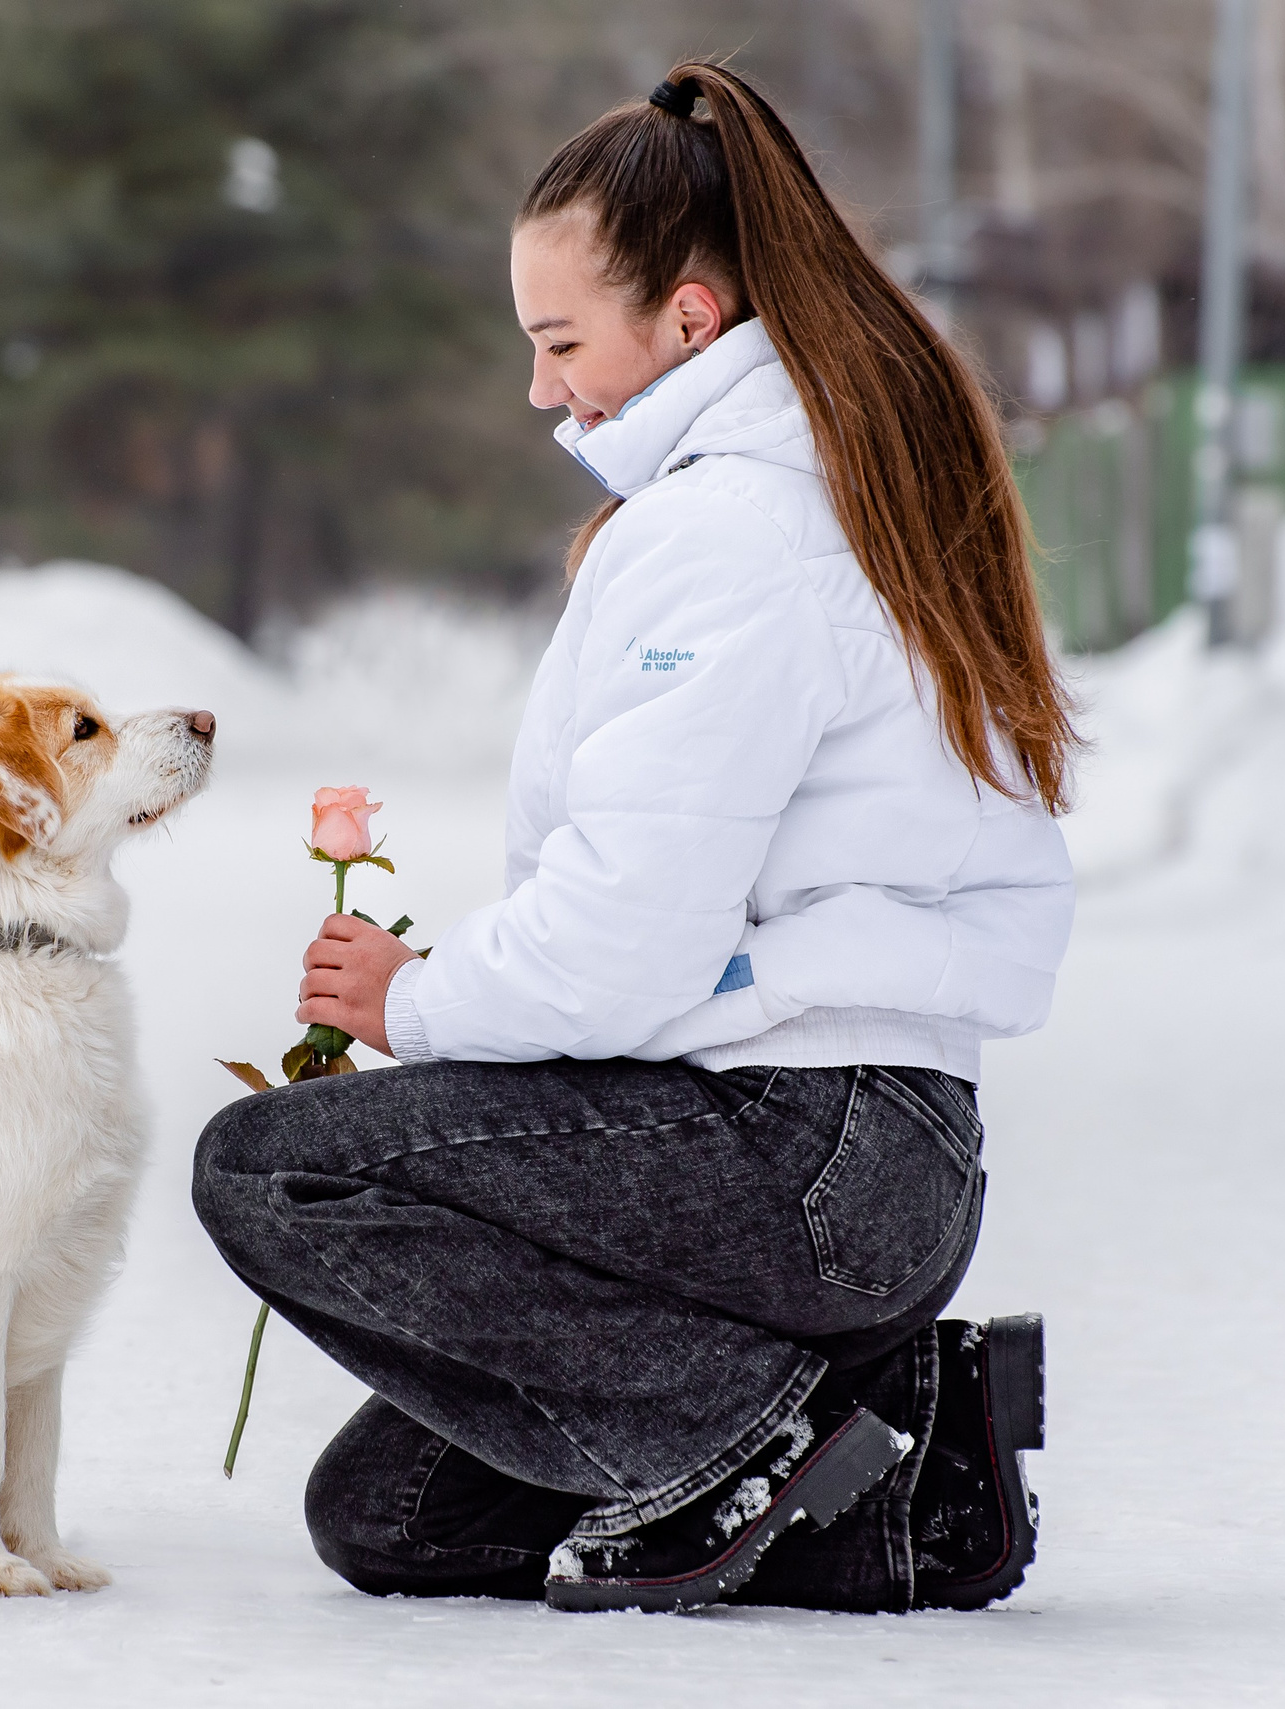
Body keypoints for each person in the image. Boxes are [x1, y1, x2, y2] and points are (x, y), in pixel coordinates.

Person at [191, 59, 1077, 1616]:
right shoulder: (836, 484)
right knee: (385, 1510)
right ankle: (910, 1453)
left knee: (273, 1172)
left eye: (560, 341)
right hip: (861, 1155)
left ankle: (747, 1429)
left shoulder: (734, 529)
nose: (543, 388)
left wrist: (413, 997)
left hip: (809, 1147)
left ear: (685, 320)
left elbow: (628, 937)